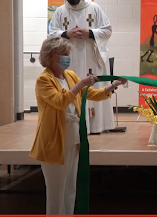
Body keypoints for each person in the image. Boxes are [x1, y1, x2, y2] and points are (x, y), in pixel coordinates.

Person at [29, 36, 127, 215]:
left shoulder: (70, 76)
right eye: (64, 54)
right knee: (56, 191)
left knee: (69, 189)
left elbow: (92, 94)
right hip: (53, 142)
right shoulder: (44, 80)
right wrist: (82, 83)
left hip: (73, 139)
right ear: (51, 56)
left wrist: (112, 86)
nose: (68, 57)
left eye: (68, 53)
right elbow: (60, 101)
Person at [48, 0, 114, 134]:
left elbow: (108, 30)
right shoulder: (60, 11)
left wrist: (90, 33)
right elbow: (52, 33)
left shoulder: (94, 8)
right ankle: (74, 125)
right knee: (72, 87)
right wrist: (66, 33)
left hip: (91, 57)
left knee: (92, 88)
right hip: (69, 60)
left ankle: (95, 126)